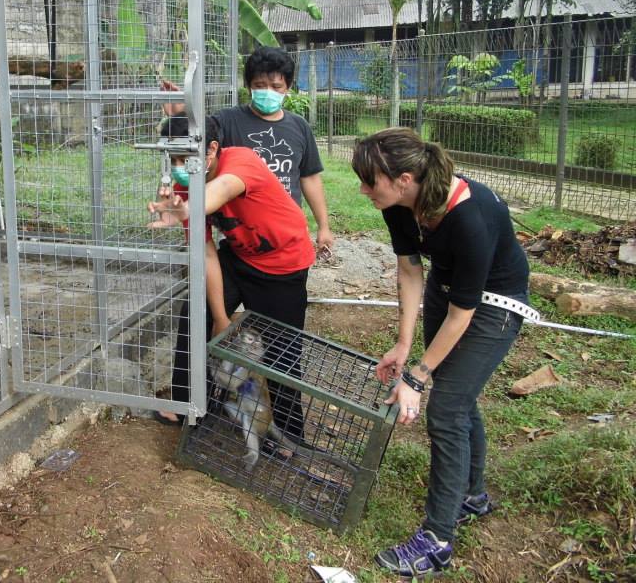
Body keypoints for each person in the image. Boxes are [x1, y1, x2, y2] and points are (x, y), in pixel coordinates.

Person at [351, 128, 530, 578]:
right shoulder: (398, 205)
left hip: (493, 305)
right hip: (444, 291)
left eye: (370, 181)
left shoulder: (472, 216)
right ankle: (472, 496)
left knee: (447, 408)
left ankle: (438, 540)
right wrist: (405, 345)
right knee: (459, 399)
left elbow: (463, 315)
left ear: (405, 178)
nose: (363, 189)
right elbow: (410, 272)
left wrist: (418, 375)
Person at [148, 114, 314, 448]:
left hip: (283, 263)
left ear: (211, 148)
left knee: (281, 347)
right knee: (195, 313)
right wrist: (221, 319)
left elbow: (220, 191)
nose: (180, 166)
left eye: (186, 157)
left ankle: (289, 433)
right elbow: (206, 253)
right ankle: (189, 404)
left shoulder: (241, 161)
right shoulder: (185, 186)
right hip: (239, 256)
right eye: (174, 159)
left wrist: (180, 211)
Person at [161, 46, 334, 251]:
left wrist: (324, 227)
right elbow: (198, 137)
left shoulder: (299, 126)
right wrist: (181, 113)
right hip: (242, 231)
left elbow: (310, 177)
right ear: (249, 86)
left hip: (286, 231)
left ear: (288, 87)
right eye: (260, 85)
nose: (268, 91)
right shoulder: (227, 120)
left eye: (276, 86)